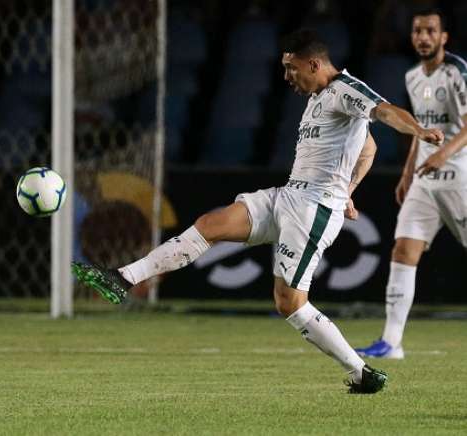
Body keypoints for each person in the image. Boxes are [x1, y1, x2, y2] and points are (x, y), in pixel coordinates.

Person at [72, 29, 444, 394]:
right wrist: (349, 190)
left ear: (314, 64)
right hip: (287, 196)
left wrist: (419, 131)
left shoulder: (346, 89)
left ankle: (360, 372)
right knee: (210, 225)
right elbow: (368, 148)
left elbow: (385, 111)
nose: (287, 78)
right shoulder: (319, 98)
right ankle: (121, 278)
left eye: (291, 68)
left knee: (289, 303)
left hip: (313, 209)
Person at [355, 8, 467, 359]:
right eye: (418, 31)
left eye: (431, 31)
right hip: (423, 182)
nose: (423, 37)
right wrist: (407, 174)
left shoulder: (456, 72)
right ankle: (391, 343)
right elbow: (419, 130)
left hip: (458, 178)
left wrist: (443, 155)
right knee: (403, 250)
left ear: (443, 37)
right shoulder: (413, 77)